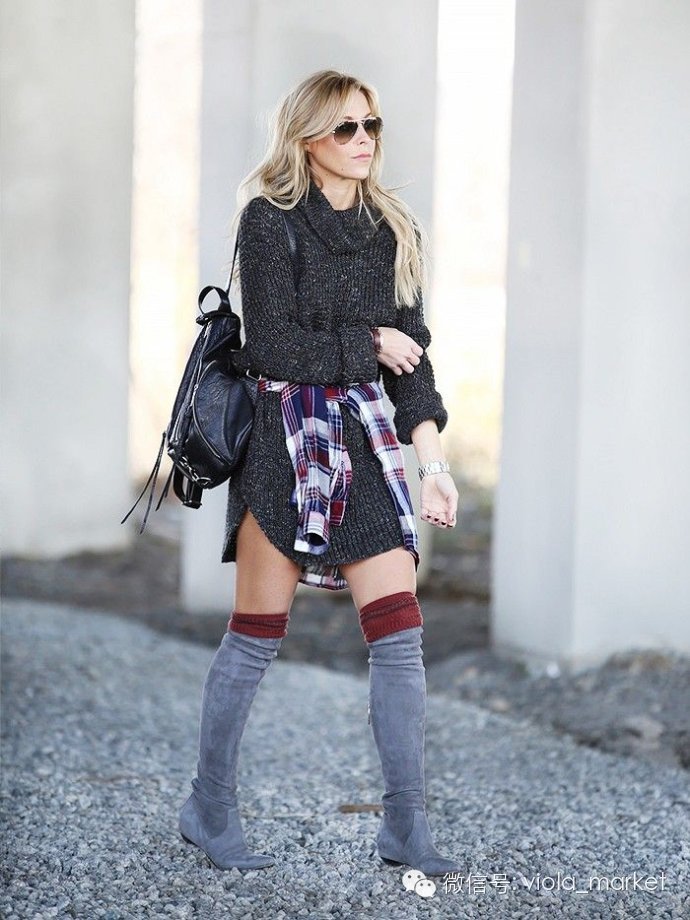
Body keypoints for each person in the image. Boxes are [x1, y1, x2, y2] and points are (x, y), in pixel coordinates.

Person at [178, 69, 461, 877]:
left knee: (400, 641)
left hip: (367, 448)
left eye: (371, 125)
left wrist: (432, 463)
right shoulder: (268, 222)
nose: (364, 139)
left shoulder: (394, 228)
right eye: (345, 128)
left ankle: (405, 827)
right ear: (307, 139)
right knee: (253, 640)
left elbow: (412, 364)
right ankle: (209, 807)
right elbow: (270, 347)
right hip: (284, 449)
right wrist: (367, 343)